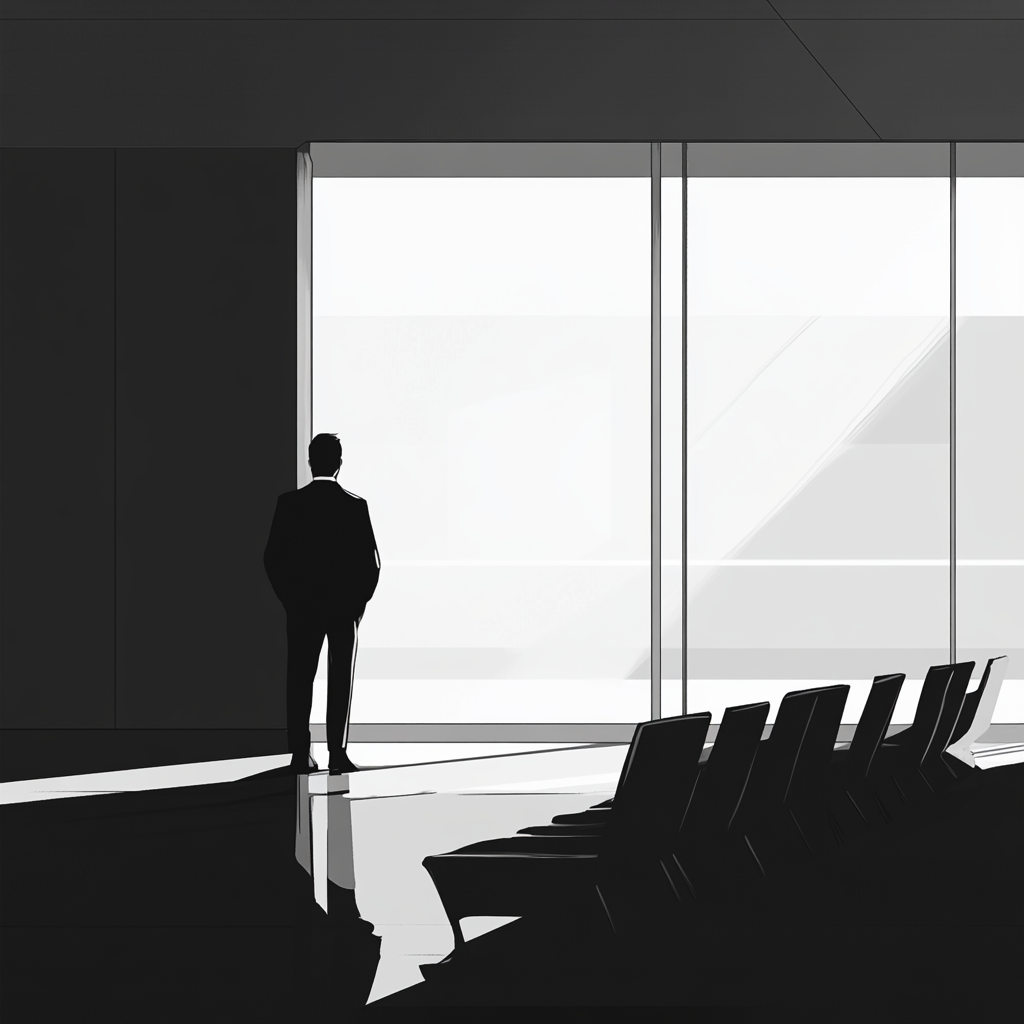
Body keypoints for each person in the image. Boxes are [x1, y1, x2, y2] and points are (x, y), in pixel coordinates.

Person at [264, 433, 380, 774]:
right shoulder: (354, 505)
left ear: (310, 461)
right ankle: (337, 754)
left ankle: (300, 754)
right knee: (340, 678)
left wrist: (290, 600)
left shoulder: (289, 504)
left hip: (303, 608)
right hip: (343, 609)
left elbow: (273, 559)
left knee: (298, 679)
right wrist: (357, 604)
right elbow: (371, 563)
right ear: (339, 464)